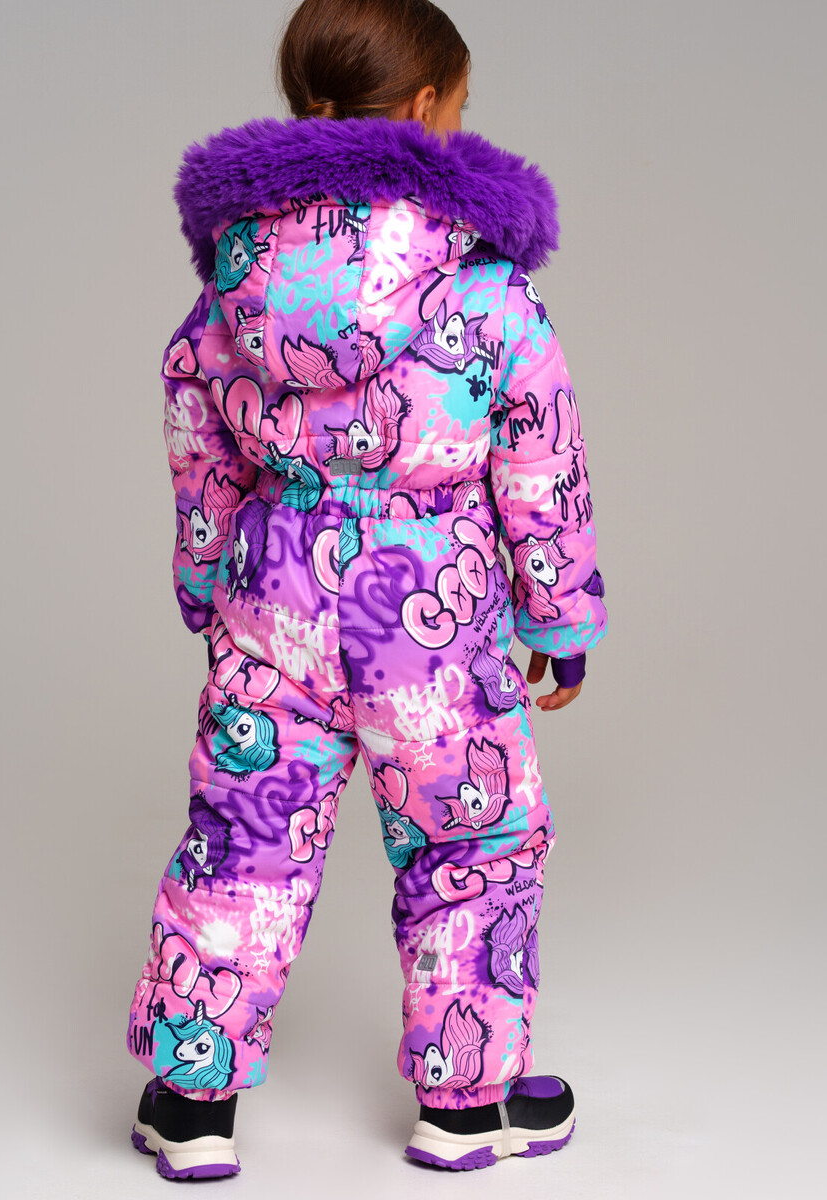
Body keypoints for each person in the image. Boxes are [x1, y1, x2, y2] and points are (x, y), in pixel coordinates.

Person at [127, 0, 607, 1178]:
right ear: (431, 107)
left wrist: (204, 573)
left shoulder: (233, 280)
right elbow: (541, 458)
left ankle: (190, 1104)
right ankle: (468, 1103)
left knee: (243, 842)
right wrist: (558, 616)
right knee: (472, 839)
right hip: (429, 613)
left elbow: (198, 432)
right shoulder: (485, 286)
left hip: (273, 597)